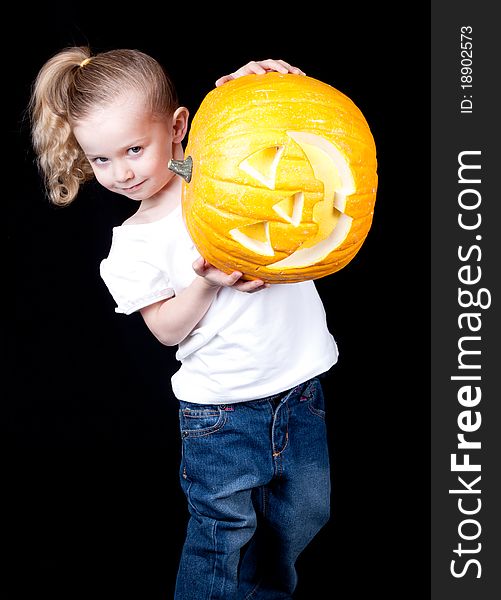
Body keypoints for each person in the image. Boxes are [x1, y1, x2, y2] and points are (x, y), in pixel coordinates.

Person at [29, 47, 338, 599]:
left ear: (177, 128)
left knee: (299, 522)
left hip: (299, 391)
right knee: (223, 536)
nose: (121, 172)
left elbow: (265, 134)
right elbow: (167, 330)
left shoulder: (223, 171)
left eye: (133, 149)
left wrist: (250, 89)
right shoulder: (131, 245)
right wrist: (205, 282)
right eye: (100, 160)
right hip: (221, 413)